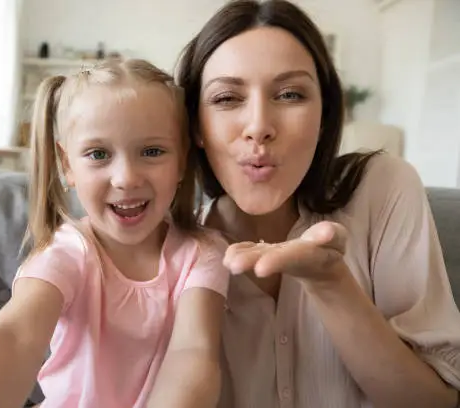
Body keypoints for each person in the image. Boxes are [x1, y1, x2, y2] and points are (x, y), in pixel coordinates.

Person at [175, 1, 460, 407]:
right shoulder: (172, 244)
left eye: (290, 94)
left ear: (324, 114)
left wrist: (331, 284)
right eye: (226, 98)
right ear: (195, 126)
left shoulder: (383, 189)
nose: (258, 126)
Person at [0, 59, 229, 408]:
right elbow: (15, 336)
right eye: (99, 154)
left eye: (152, 151)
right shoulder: (67, 252)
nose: (126, 177)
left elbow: (192, 354)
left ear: (181, 161)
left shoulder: (203, 252)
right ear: (68, 165)